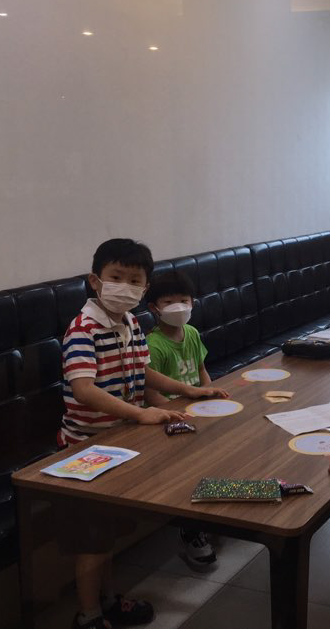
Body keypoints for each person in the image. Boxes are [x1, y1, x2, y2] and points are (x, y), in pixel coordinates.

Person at [59, 238, 224, 629]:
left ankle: (109, 600)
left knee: (107, 535)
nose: (125, 287)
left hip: (121, 441)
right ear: (95, 281)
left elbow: (143, 371)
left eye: (134, 281)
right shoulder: (82, 329)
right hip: (85, 447)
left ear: (145, 288)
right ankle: (89, 615)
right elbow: (83, 390)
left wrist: (188, 391)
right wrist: (141, 413)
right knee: (92, 540)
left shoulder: (131, 323)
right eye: (116, 277)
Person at [145, 269, 228, 572]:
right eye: (169, 302)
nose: (178, 307)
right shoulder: (153, 344)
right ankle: (191, 530)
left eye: (184, 300)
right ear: (154, 307)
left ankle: (218, 511)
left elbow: (202, 371)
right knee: (189, 466)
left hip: (196, 409)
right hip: (170, 416)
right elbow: (151, 393)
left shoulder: (191, 333)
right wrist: (177, 414)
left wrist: (209, 395)